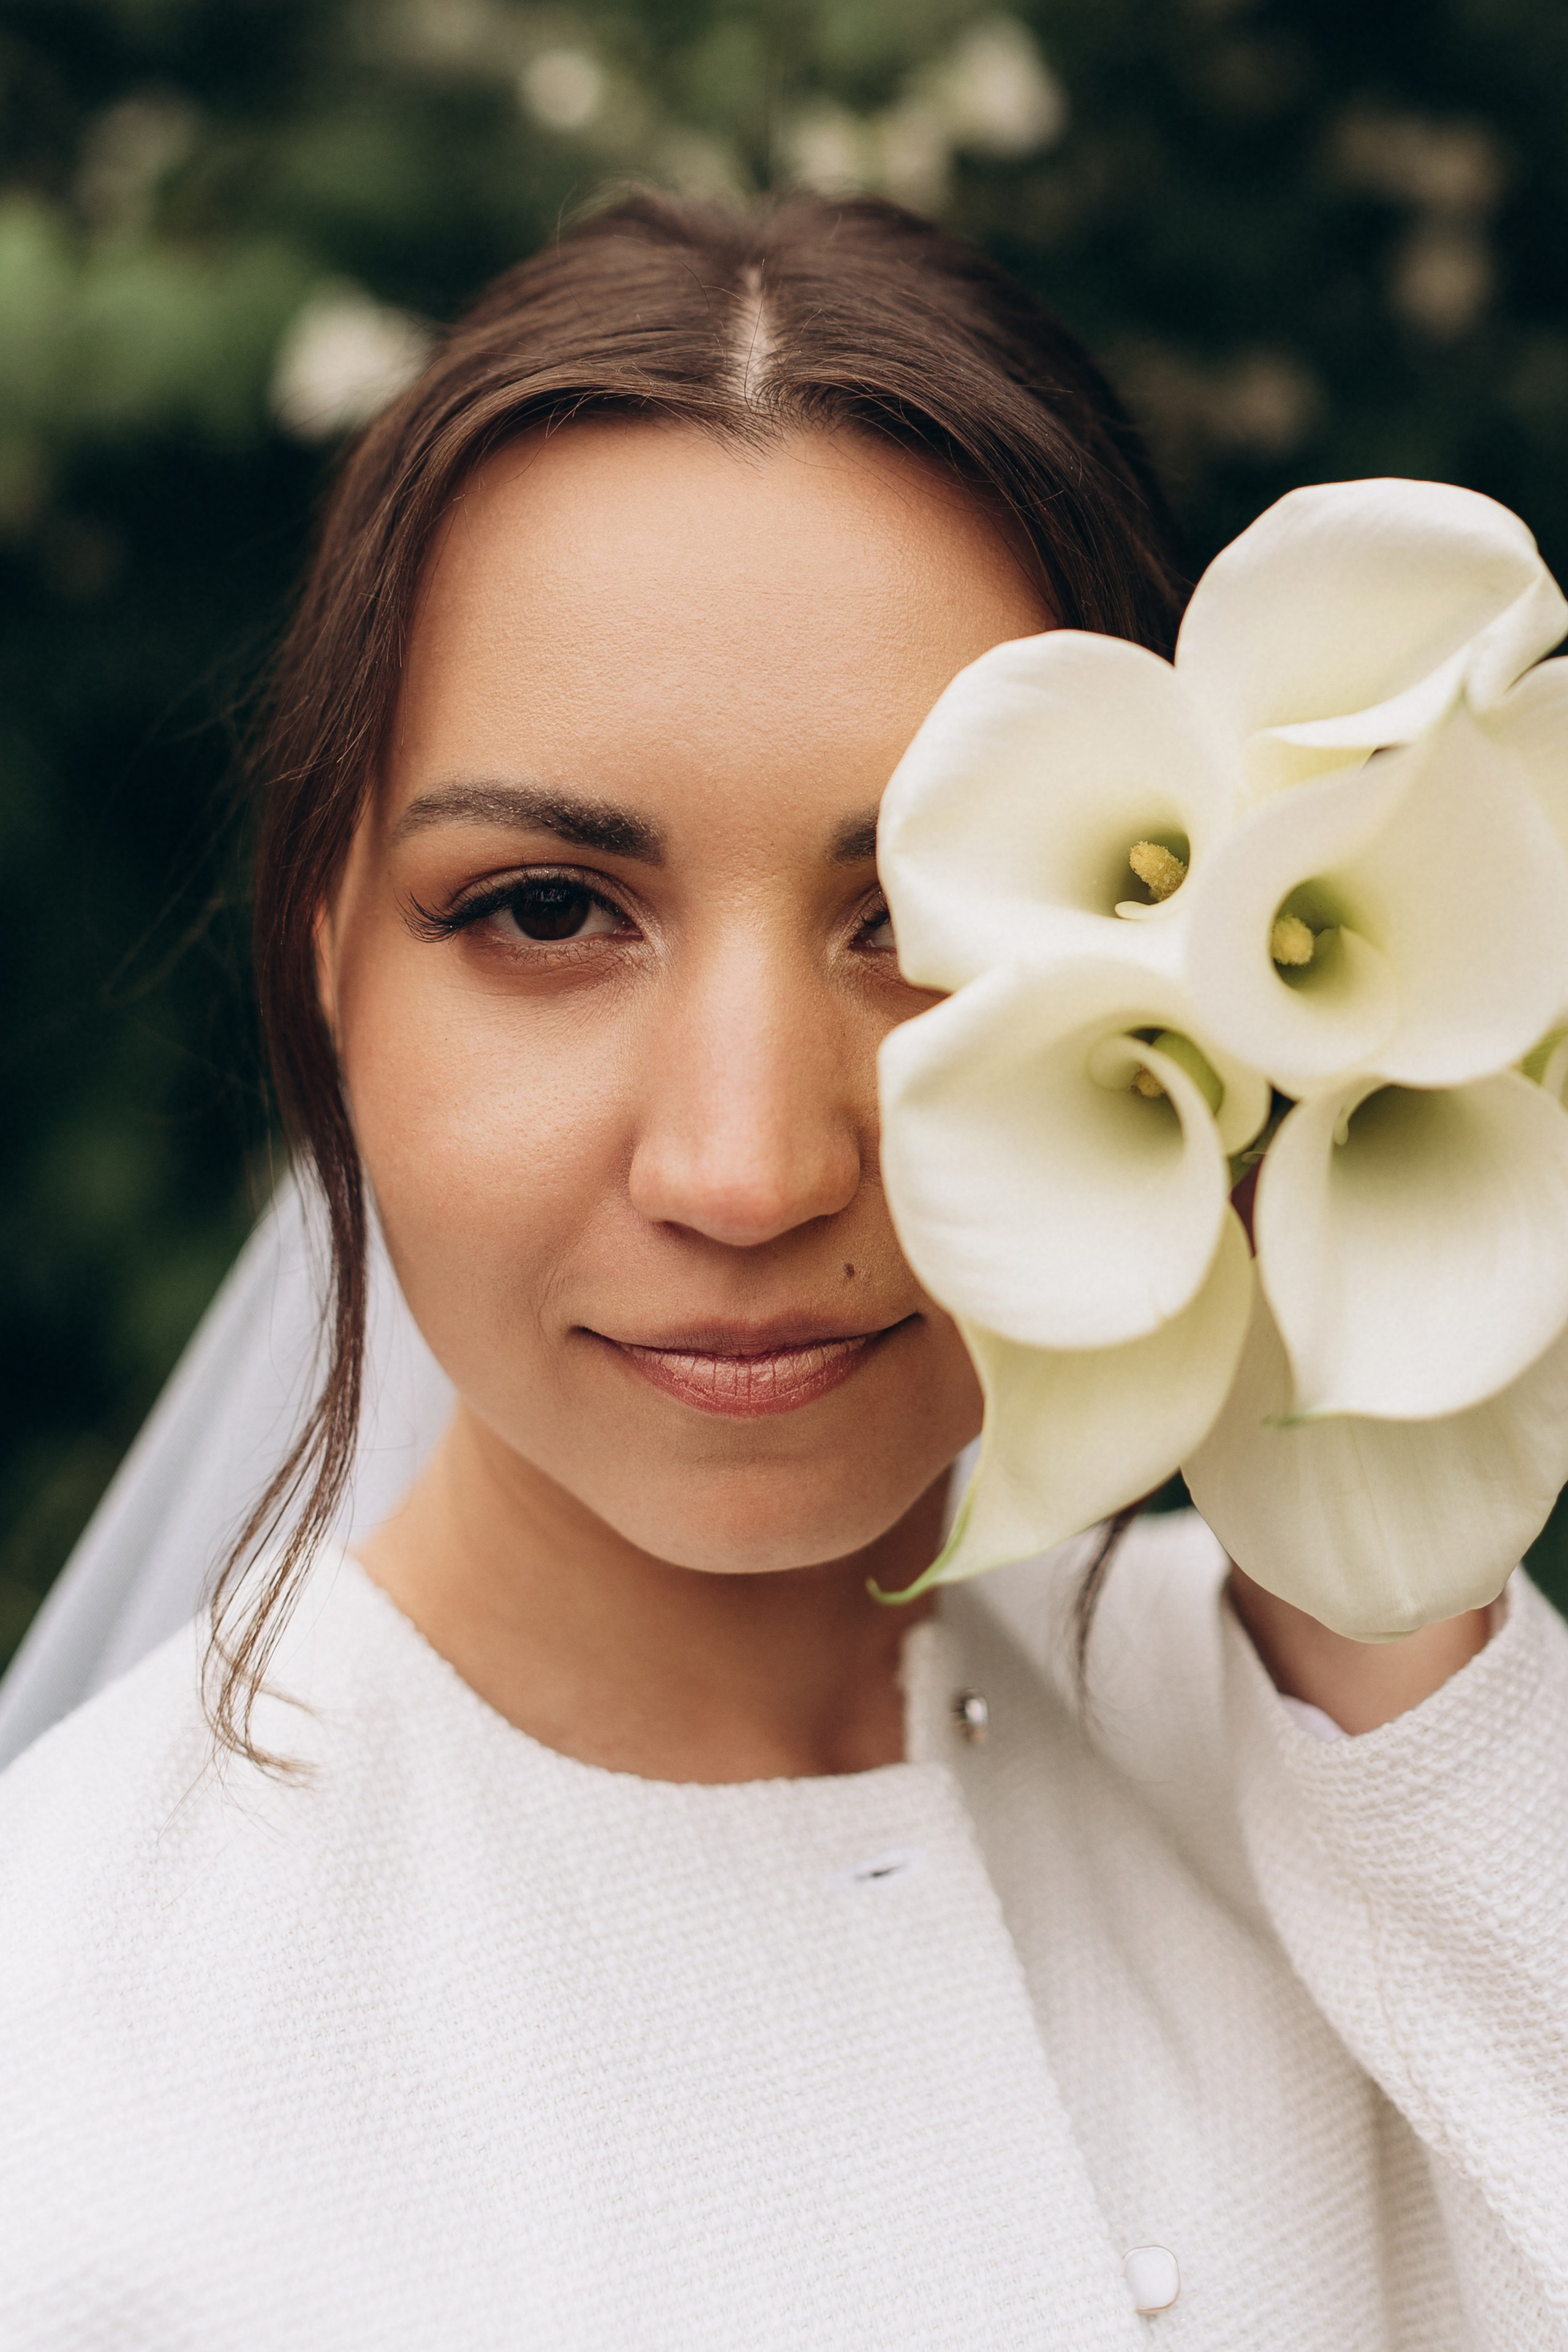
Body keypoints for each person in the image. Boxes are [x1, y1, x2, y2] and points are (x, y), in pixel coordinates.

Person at [1, 190, 1564, 2351]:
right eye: (548, 912)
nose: (747, 1168)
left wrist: (1393, 1604)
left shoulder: (1379, 1759)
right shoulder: (68, 2069)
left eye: (917, 923)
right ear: (326, 960)